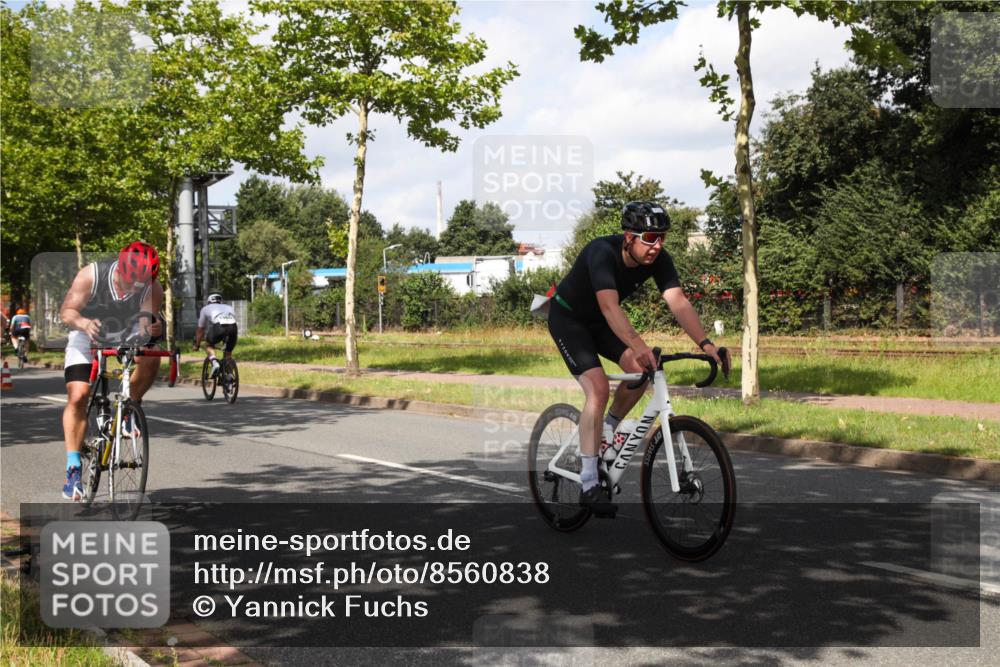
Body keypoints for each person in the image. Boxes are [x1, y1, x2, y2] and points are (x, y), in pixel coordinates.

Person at [547, 201, 730, 518]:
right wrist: (640, 344)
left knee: (639, 370)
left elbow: (679, 301)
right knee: (599, 388)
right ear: (629, 237)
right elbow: (609, 307)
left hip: (602, 325)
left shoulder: (658, 259)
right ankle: (589, 480)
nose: (656, 245)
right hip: (569, 319)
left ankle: (606, 432)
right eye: (649, 237)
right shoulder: (601, 252)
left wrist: (706, 344)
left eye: (662, 237)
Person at [59, 241, 164, 500]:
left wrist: (153, 326)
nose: (137, 287)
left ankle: (130, 407)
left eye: (143, 282)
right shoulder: (91, 276)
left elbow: (146, 317)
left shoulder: (152, 286)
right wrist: (83, 322)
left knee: (152, 356)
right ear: (122, 271)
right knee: (78, 396)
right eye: (133, 282)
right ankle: (73, 468)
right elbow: (67, 312)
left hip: (124, 329)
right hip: (87, 332)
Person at [193, 293, 238, 377]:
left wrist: (197, 344)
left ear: (209, 302)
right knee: (228, 353)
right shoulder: (229, 307)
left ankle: (214, 362)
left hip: (219, 327)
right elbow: (231, 321)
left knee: (208, 345)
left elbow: (200, 329)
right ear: (221, 301)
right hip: (233, 327)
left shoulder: (205, 308)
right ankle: (230, 376)